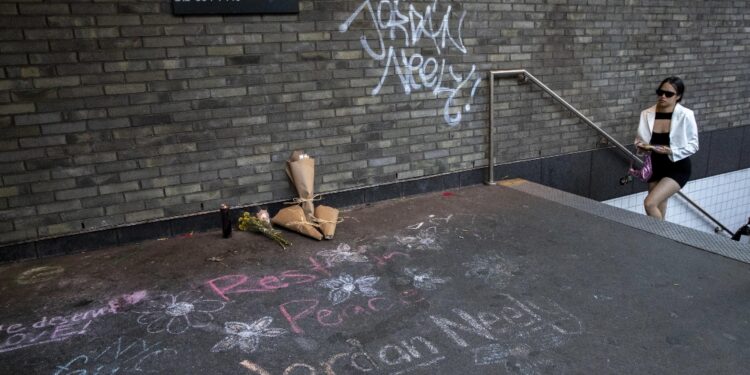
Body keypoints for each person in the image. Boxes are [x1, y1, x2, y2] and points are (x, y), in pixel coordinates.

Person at [634, 76, 699, 220]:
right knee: (659, 205)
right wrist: (642, 147)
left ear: (678, 96)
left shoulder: (686, 115)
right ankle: (659, 239)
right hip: (655, 166)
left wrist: (671, 151)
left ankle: (660, 235)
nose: (663, 96)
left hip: (677, 167)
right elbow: (639, 140)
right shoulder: (646, 114)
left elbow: (694, 145)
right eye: (660, 92)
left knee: (649, 203)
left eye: (668, 94)